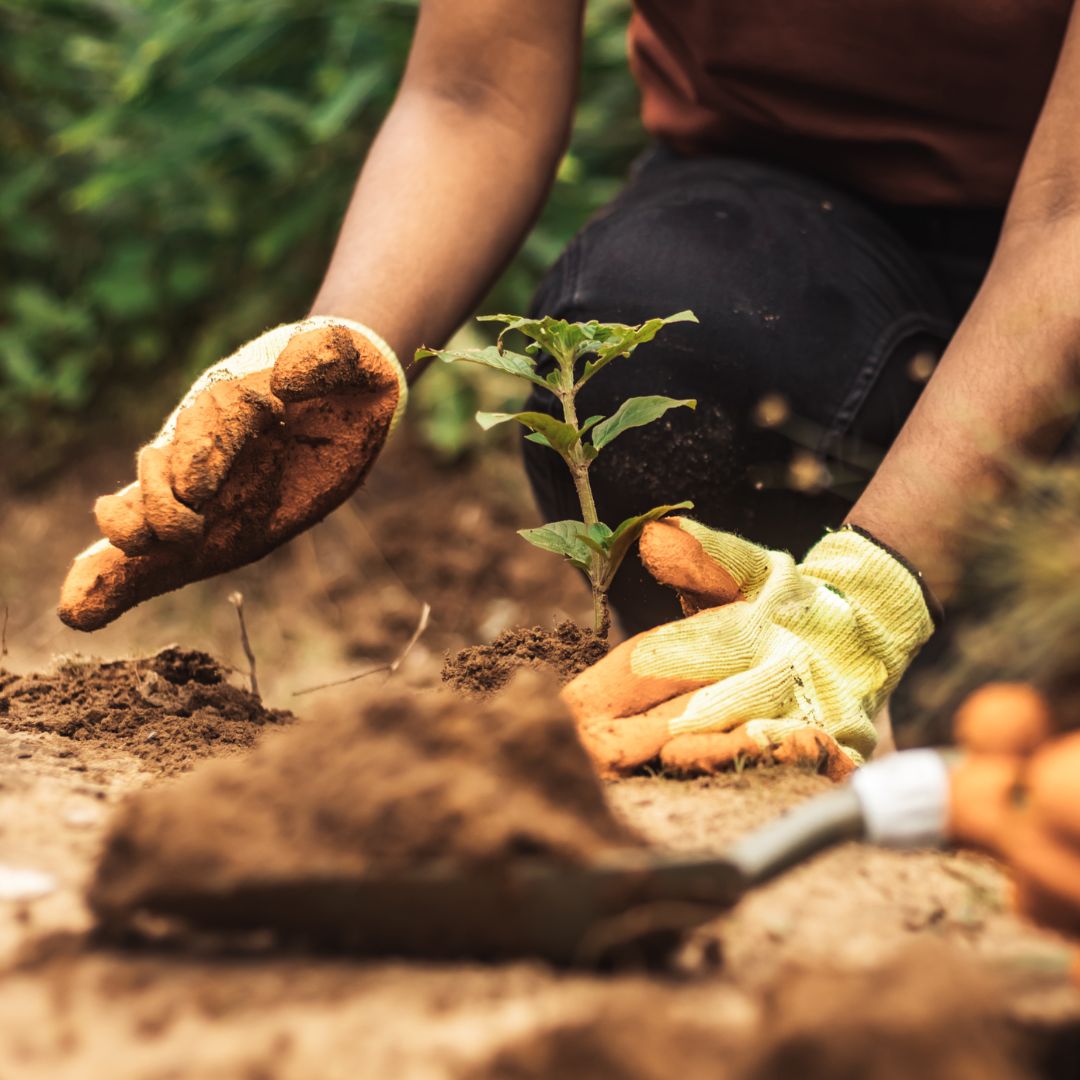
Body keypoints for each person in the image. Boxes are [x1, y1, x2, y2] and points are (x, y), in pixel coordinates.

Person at [61, 2, 1080, 779]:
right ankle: (760, 725)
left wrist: (870, 599)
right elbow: (475, 88)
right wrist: (335, 355)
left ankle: (927, 668)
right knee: (659, 341)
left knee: (1017, 738)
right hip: (784, 237)